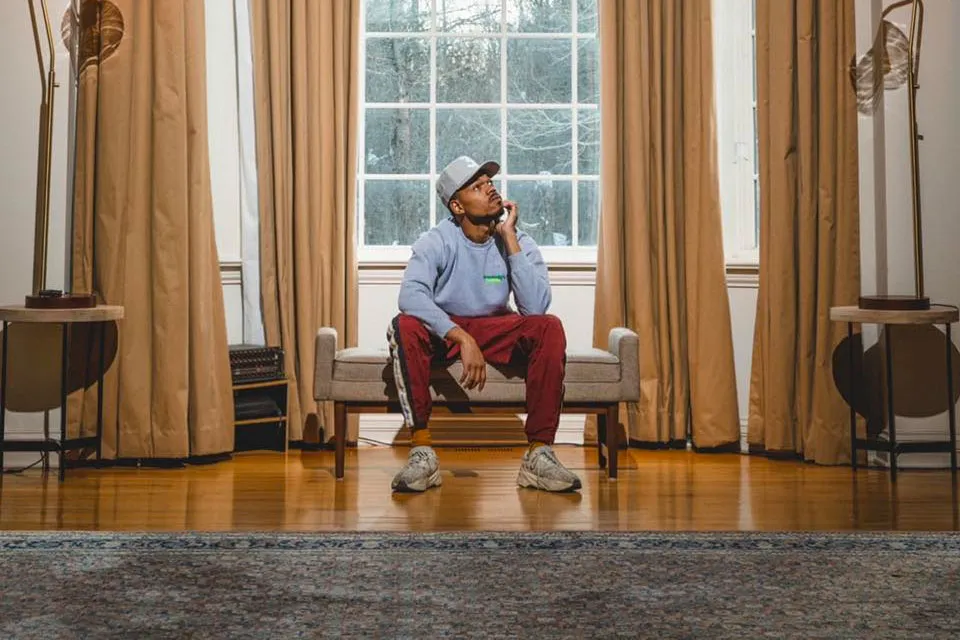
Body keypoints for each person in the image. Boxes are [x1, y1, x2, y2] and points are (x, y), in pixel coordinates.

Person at [386, 155, 581, 494]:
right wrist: (461, 337)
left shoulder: (518, 241)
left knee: (549, 326)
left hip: (495, 328)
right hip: (448, 332)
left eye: (489, 182)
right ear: (457, 206)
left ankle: (539, 454)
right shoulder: (437, 240)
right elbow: (411, 295)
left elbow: (535, 308)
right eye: (477, 186)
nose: (490, 189)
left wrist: (510, 239)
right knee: (405, 325)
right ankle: (422, 451)